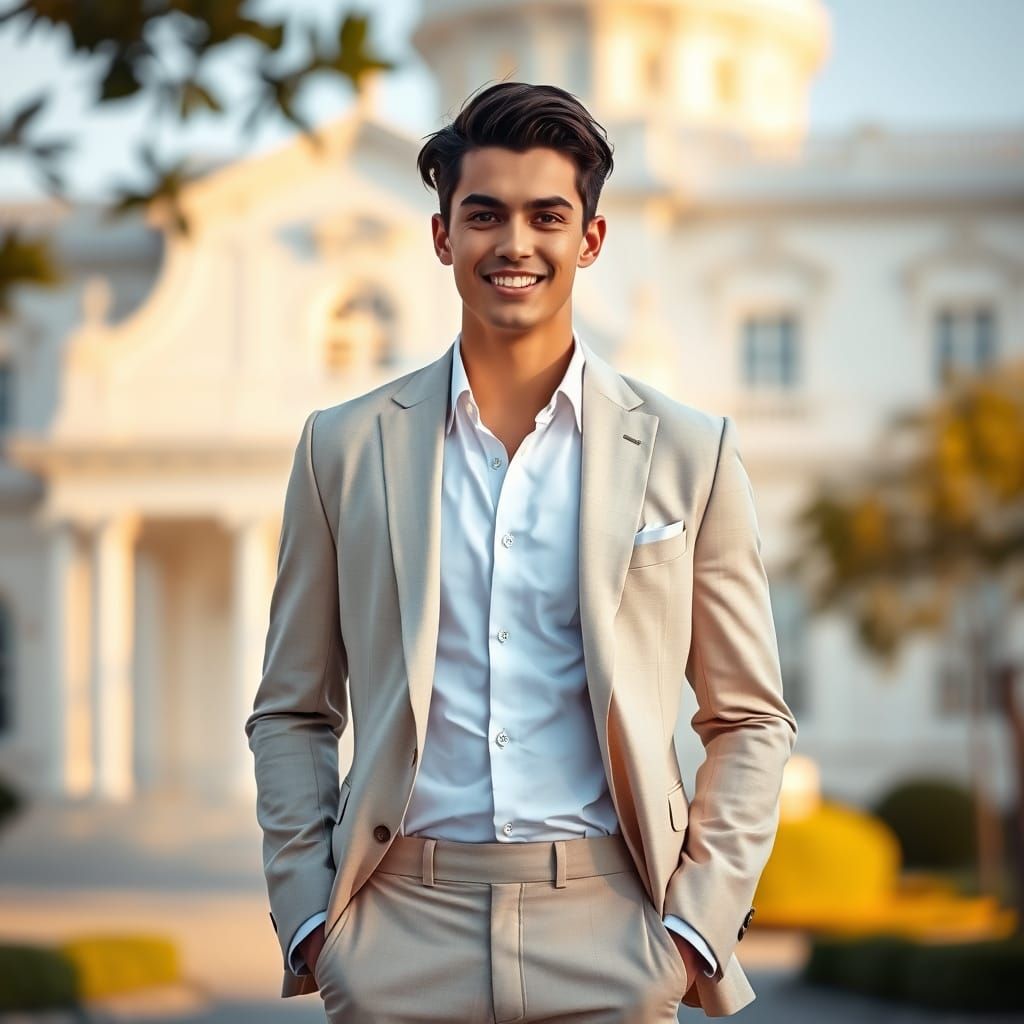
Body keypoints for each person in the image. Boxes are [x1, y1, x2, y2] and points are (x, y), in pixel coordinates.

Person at [245, 81, 798, 1023]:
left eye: (548, 216)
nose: (515, 244)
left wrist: (692, 931)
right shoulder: (341, 447)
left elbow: (749, 719)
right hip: (396, 934)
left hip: (614, 933)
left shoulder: (688, 451)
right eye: (484, 214)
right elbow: (293, 708)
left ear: (590, 239)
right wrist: (310, 918)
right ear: (441, 235)